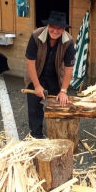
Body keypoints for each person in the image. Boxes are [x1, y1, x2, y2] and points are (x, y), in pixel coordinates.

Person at [24, 11, 75, 139]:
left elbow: (69, 68)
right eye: (53, 26)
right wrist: (36, 85)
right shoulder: (36, 36)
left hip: (55, 76)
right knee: (35, 108)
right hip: (36, 74)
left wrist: (63, 90)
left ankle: (56, 134)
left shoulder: (68, 41)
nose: (55, 31)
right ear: (48, 26)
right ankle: (36, 136)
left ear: (64, 29)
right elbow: (30, 63)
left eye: (59, 28)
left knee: (57, 105)